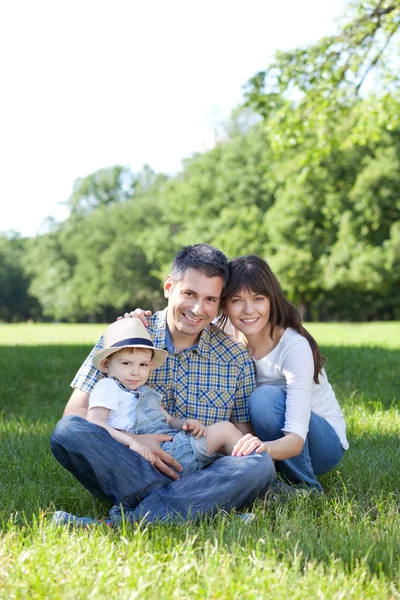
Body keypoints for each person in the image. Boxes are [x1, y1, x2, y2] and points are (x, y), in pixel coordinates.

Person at [50, 244, 276, 525]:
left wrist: (248, 452)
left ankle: (124, 521)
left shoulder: (235, 357)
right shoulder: (127, 335)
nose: (198, 309)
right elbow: (75, 416)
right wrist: (134, 442)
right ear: (169, 286)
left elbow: (240, 438)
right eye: (189, 294)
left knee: (259, 463)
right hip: (129, 465)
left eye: (210, 299)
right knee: (67, 431)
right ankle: (193, 509)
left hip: (199, 473)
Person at [219, 255, 348, 491]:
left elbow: (296, 439)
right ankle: (272, 478)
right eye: (237, 300)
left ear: (271, 300)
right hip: (266, 436)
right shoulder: (223, 330)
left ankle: (305, 487)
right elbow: (185, 316)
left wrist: (263, 449)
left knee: (264, 399)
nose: (248, 310)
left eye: (258, 298)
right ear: (224, 304)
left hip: (319, 442)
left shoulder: (293, 346)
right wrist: (138, 320)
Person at [86, 318, 245, 474]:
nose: (135, 372)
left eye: (143, 365)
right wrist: (132, 442)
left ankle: (242, 470)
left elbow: (169, 421)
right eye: (126, 363)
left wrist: (186, 423)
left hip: (173, 445)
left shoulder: (147, 392)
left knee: (222, 449)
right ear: (107, 365)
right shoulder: (109, 386)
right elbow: (94, 423)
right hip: (157, 453)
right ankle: (248, 470)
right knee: (226, 430)